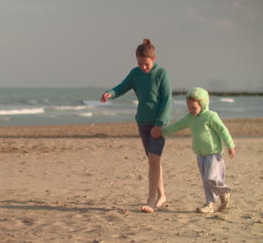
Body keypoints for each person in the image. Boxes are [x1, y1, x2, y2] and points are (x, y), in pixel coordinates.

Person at [100, 38, 172, 213]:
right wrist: (110, 93)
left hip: (158, 124)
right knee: (154, 160)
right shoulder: (135, 73)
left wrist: (159, 124)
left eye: (146, 64)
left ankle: (151, 200)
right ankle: (162, 195)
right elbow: (122, 87)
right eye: (140, 63)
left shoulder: (162, 73)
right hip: (142, 122)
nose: (143, 67)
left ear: (153, 60)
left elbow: (166, 100)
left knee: (154, 161)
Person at [156, 87, 235, 213]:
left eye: (194, 108)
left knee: (211, 178)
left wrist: (230, 145)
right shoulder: (189, 118)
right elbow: (177, 126)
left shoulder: (211, 116)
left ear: (203, 105)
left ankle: (224, 192)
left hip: (213, 154)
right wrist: (162, 131)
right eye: (189, 107)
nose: (191, 110)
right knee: (205, 180)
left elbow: (222, 130)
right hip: (200, 154)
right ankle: (209, 204)